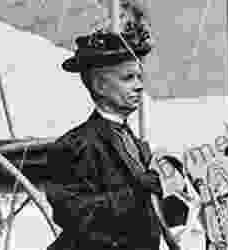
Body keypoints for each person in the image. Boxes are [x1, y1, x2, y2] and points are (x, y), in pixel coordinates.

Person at [45, 20, 181, 250]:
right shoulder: (74, 145)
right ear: (99, 85)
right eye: (128, 78)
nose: (139, 86)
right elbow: (72, 215)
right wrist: (136, 193)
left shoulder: (136, 144)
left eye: (140, 78)